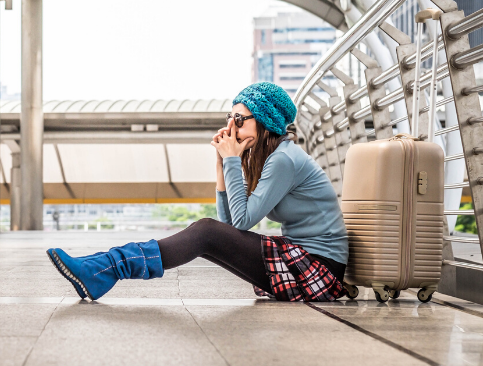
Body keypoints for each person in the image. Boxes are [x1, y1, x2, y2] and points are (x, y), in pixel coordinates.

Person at [46, 82, 349, 302]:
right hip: (304, 258)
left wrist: (232, 159)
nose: (231, 127)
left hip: (317, 268)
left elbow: (240, 224)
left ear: (266, 122)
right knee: (207, 235)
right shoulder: (274, 158)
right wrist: (221, 165)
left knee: (205, 233)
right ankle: (100, 269)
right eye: (230, 118)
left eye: (240, 120)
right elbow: (229, 226)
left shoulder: (284, 159)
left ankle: (104, 269)